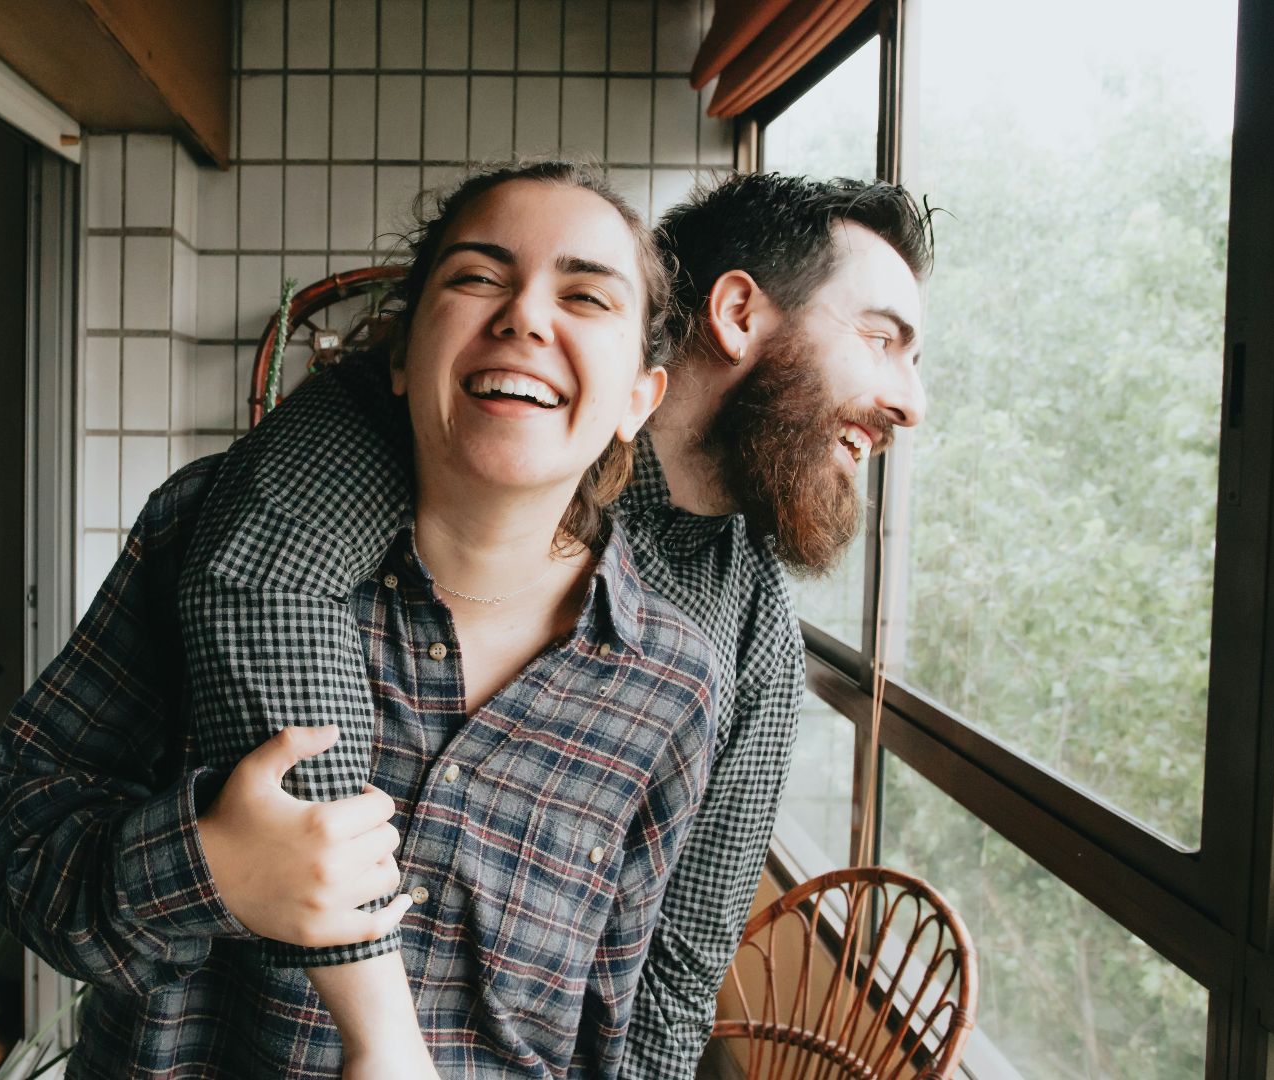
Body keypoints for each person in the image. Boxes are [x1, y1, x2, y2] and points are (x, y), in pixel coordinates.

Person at [147, 169, 934, 1077]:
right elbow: (262, 586)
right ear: (739, 314)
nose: (911, 403)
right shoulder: (378, 447)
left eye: (587, 296)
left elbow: (673, 981)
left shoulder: (748, 635)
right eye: (882, 341)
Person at [0, 161, 730, 1077]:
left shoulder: (671, 683)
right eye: (477, 277)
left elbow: (613, 1022)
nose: (526, 317)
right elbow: (24, 851)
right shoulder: (204, 536)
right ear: (403, 357)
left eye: (586, 296)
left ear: (637, 401)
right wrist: (206, 867)